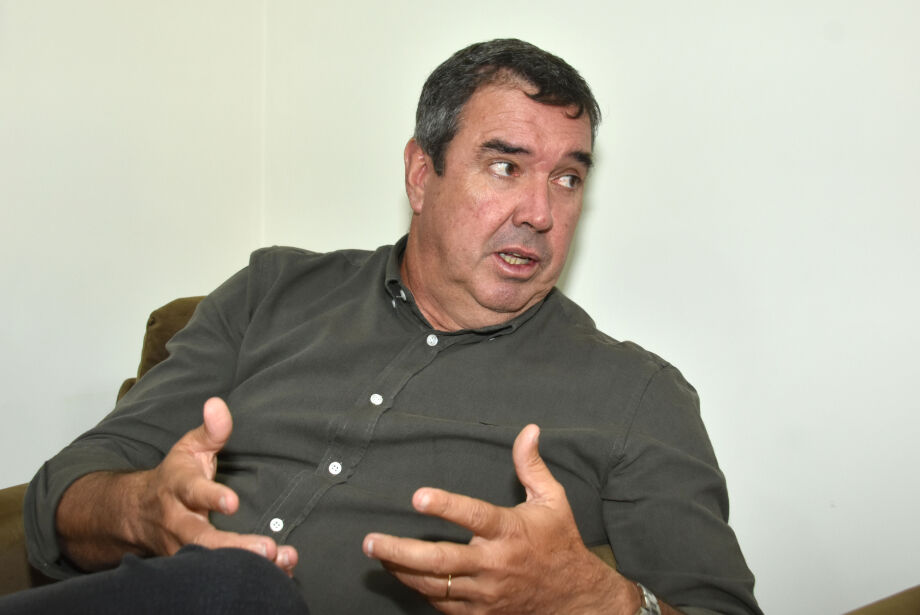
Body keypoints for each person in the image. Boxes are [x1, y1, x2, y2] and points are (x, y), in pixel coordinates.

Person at [14, 39, 761, 614]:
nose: (541, 212)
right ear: (420, 174)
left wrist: (597, 599)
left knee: (240, 586)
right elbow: (60, 500)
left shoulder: (636, 395)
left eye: (568, 178)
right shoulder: (273, 291)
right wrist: (142, 509)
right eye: (506, 166)